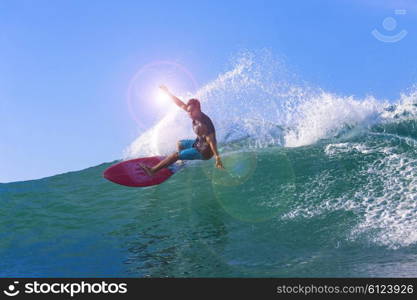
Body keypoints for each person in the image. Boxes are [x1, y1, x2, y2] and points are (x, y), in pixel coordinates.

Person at [139, 85, 224, 176]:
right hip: (198, 143)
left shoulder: (204, 124)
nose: (189, 114)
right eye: (188, 111)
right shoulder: (194, 115)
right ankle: (182, 163)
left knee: (175, 155)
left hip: (203, 152)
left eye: (191, 111)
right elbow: (180, 104)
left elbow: (212, 141)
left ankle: (152, 171)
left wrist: (217, 157)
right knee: (180, 143)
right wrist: (168, 93)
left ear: (198, 109)